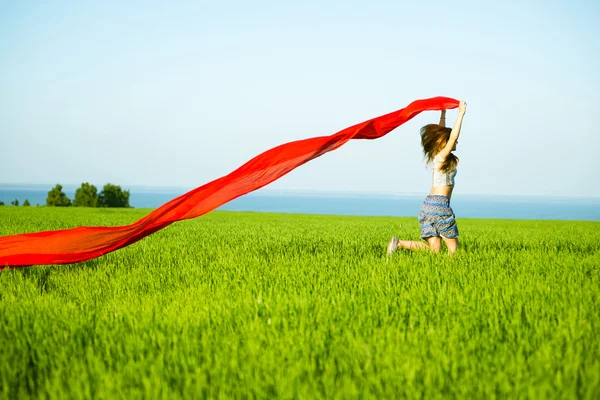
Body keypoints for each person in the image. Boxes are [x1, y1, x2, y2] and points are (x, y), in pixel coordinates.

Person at [387, 101, 467, 255]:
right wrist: (461, 113)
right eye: (453, 141)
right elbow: (452, 137)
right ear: (445, 142)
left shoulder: (436, 155)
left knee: (434, 250)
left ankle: (398, 243)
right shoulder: (442, 156)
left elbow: (442, 136)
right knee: (453, 251)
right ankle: (451, 274)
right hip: (441, 205)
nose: (456, 142)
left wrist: (443, 115)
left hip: (428, 206)